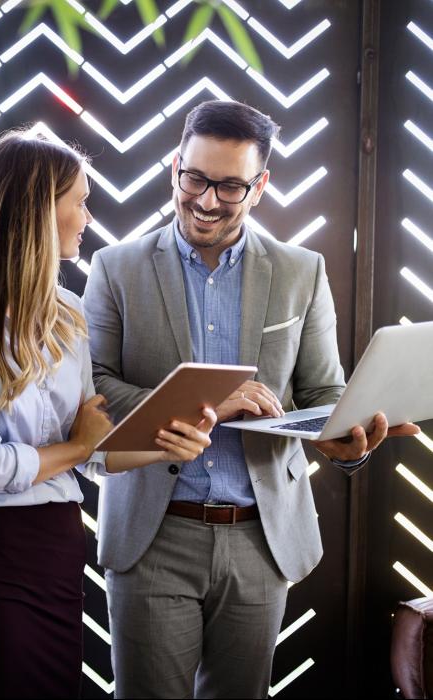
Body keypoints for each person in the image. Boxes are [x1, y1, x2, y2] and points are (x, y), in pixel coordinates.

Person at [82, 100, 420, 699]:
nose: (207, 200)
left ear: (259, 186)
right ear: (173, 168)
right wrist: (214, 400)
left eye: (230, 186)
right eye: (195, 179)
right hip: (153, 534)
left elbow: (322, 392)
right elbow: (94, 391)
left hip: (261, 539)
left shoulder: (301, 272)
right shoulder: (116, 268)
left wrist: (348, 442)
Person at [0, 129, 217, 699]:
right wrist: (78, 448)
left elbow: (92, 453)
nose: (87, 216)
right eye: (78, 201)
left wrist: (171, 439)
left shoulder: (68, 311)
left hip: (57, 558)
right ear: (36, 211)